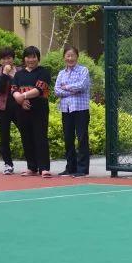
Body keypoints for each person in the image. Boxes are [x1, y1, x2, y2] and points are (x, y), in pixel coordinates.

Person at [12, 45, 53, 177]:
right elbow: (14, 89)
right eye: (28, 57)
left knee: (40, 137)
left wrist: (23, 96)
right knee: (26, 138)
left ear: (38, 58)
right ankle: (32, 167)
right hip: (22, 110)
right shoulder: (18, 74)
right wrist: (20, 100)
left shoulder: (44, 72)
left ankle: (44, 168)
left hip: (39, 110)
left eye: (34, 57)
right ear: (24, 59)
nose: (31, 60)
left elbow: (39, 89)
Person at [54, 45, 92, 177]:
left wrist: (66, 87)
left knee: (82, 138)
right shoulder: (61, 73)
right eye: (68, 55)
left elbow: (82, 86)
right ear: (64, 57)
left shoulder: (83, 70)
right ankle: (70, 167)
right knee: (68, 138)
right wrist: (72, 90)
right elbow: (57, 90)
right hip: (66, 109)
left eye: (72, 55)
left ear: (77, 57)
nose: (70, 58)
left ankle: (82, 169)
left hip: (81, 109)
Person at [0, 46, 21, 175]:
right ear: (0, 61)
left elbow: (23, 85)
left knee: (26, 133)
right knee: (4, 137)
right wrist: (5, 74)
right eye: (3, 59)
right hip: (2, 109)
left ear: (13, 59)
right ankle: (8, 164)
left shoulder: (20, 71)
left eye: (9, 58)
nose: (6, 61)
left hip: (19, 107)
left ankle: (33, 163)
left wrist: (13, 75)